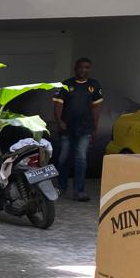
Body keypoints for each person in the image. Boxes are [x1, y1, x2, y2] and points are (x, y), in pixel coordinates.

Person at [52, 57, 104, 202]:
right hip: (66, 128)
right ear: (75, 68)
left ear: (89, 69)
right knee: (63, 158)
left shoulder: (94, 85)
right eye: (80, 67)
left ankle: (79, 191)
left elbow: (96, 108)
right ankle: (61, 187)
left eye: (86, 67)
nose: (83, 70)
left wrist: (95, 127)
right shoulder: (66, 84)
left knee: (81, 158)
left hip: (85, 129)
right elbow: (57, 106)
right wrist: (59, 121)